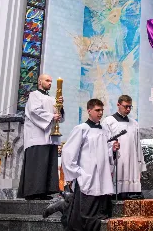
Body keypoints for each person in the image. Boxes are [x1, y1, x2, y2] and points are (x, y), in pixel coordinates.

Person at [61, 99, 119, 231]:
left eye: (102, 110)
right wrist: (77, 172)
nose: (100, 113)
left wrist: (113, 149)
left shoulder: (104, 129)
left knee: (100, 210)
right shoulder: (81, 129)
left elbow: (106, 150)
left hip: (102, 174)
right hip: (87, 174)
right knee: (86, 211)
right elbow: (68, 151)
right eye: (97, 110)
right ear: (89, 111)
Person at [18, 74, 64, 200]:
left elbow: (59, 116)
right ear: (39, 81)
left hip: (49, 136)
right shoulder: (34, 95)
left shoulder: (52, 98)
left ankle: (45, 191)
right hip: (37, 136)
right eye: (47, 80)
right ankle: (33, 192)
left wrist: (61, 108)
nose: (50, 83)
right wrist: (51, 116)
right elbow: (34, 111)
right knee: (38, 163)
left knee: (48, 162)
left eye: (51, 81)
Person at [102, 95, 146, 200]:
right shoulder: (108, 121)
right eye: (126, 106)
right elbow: (104, 142)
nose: (128, 109)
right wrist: (112, 147)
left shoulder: (134, 123)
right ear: (118, 105)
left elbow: (137, 146)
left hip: (132, 161)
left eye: (130, 107)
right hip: (117, 159)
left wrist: (140, 166)